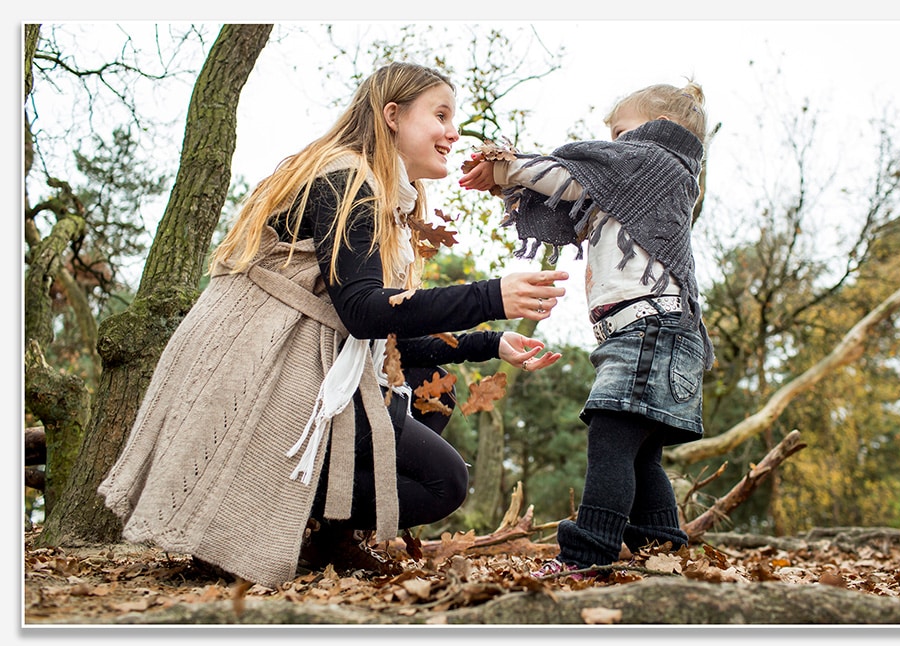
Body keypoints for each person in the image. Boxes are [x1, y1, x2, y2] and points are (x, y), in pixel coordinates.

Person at [97, 62, 569, 587]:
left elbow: (387, 337)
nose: (452, 132)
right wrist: (490, 295)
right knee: (445, 482)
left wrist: (492, 342)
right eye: (439, 114)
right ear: (392, 115)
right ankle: (263, 501)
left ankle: (329, 538)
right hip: (264, 366)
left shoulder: (388, 198)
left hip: (312, 363)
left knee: (432, 391)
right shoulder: (348, 178)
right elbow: (364, 311)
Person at [459, 80, 714, 579]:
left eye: (620, 132)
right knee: (640, 455)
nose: (612, 148)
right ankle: (662, 549)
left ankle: (588, 553)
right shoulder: (646, 182)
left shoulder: (656, 163)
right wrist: (513, 186)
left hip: (649, 329)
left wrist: (510, 166)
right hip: (648, 331)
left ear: (658, 128)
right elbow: (578, 196)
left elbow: (574, 179)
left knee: (611, 439)